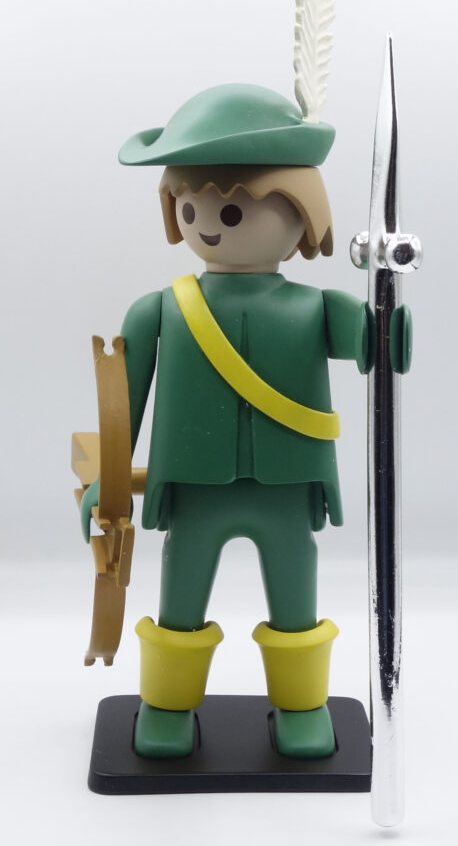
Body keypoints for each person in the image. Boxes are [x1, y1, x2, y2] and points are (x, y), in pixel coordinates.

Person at [81, 82, 374, 759]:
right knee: (180, 596)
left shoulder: (318, 308)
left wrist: (387, 308)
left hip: (287, 484)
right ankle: (167, 707)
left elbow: (379, 347)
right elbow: (122, 403)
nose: (208, 224)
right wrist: (109, 476)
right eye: (189, 206)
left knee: (295, 596)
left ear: (301, 210)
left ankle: (302, 707)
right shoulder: (158, 310)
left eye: (233, 210)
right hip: (195, 487)